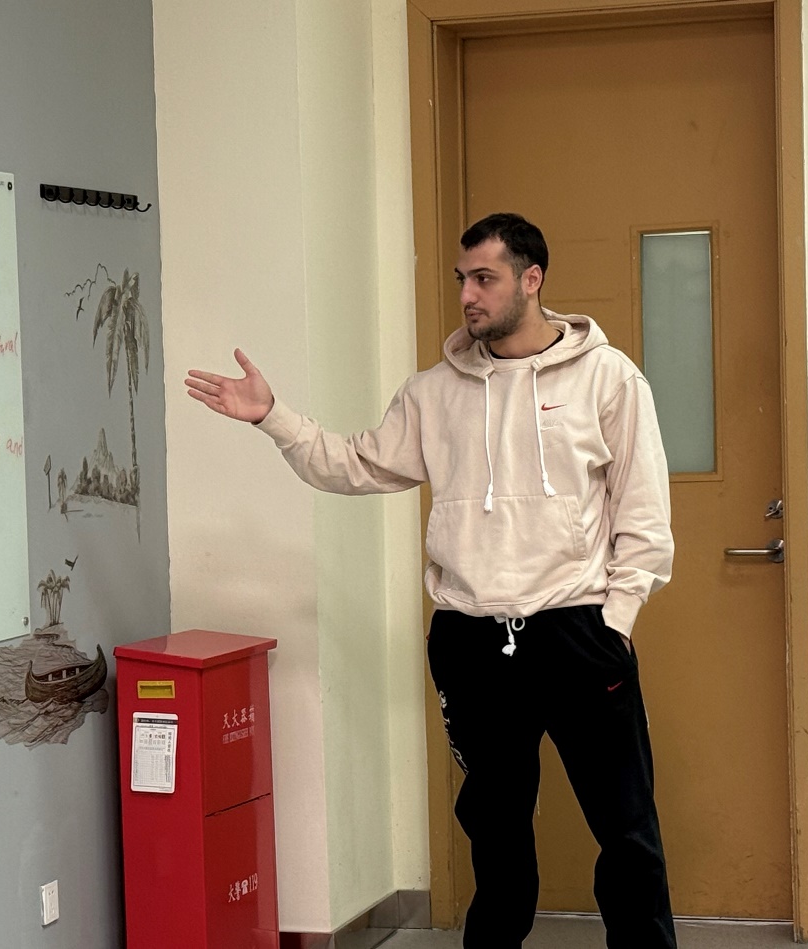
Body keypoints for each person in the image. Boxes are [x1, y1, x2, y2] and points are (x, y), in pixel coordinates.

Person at [185, 212, 676, 949]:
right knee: (496, 836)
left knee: (626, 831)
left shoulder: (609, 379)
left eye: (485, 279)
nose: (468, 295)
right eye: (461, 280)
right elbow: (352, 463)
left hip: (577, 630)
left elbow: (643, 515)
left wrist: (618, 618)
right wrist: (273, 418)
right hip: (471, 641)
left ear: (531, 279)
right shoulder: (433, 393)